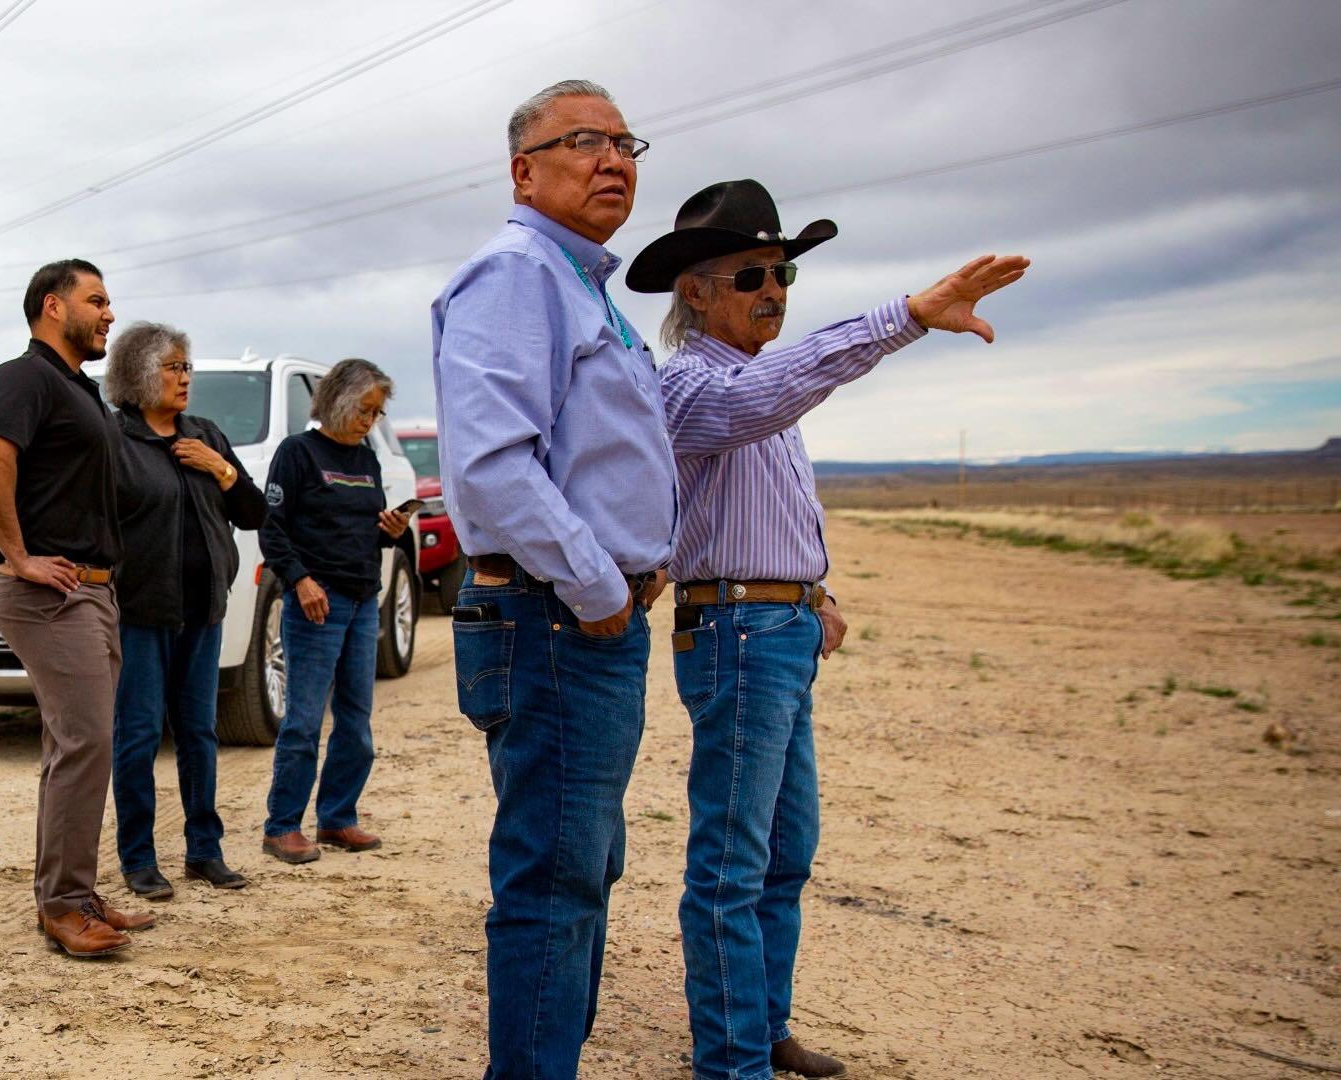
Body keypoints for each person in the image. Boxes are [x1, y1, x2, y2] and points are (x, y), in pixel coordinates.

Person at [628, 178, 1028, 1080]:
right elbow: (777, 391)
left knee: (783, 853)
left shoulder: (750, 383)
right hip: (736, 633)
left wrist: (816, 592)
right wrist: (908, 315)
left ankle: (761, 1030)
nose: (772, 289)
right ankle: (731, 1061)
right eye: (751, 276)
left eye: (782, 274)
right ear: (694, 292)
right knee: (733, 860)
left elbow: (762, 501)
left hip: (777, 628)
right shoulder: (694, 383)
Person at [430, 79, 674, 1077]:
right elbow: (492, 463)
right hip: (559, 622)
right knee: (554, 876)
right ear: (524, 169)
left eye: (625, 143)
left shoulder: (581, 288)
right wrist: (602, 590)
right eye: (584, 141)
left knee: (583, 866)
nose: (612, 160)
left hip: (578, 622)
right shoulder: (517, 273)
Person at [0, 259, 155, 958]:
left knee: (72, 748)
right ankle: (63, 905)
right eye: (97, 300)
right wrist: (18, 557)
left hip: (93, 590)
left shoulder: (78, 388)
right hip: (52, 594)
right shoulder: (25, 377)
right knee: (86, 744)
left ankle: (73, 891)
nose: (110, 313)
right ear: (53, 306)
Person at [104, 321, 266, 899]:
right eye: (172, 367)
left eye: (186, 366)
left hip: (203, 613)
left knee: (199, 733)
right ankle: (139, 859)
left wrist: (219, 469)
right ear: (139, 374)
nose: (184, 377)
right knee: (139, 736)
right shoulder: (115, 440)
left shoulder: (206, 435)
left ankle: (205, 851)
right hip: (140, 615)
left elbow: (252, 513)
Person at [259, 358, 410, 864]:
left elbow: (368, 524)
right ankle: (282, 826)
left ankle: (337, 818)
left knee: (356, 720)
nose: (371, 421)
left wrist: (389, 531)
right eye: (365, 410)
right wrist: (299, 581)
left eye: (377, 413)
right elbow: (272, 529)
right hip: (315, 605)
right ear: (339, 401)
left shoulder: (366, 459)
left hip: (364, 600)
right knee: (302, 721)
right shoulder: (297, 453)